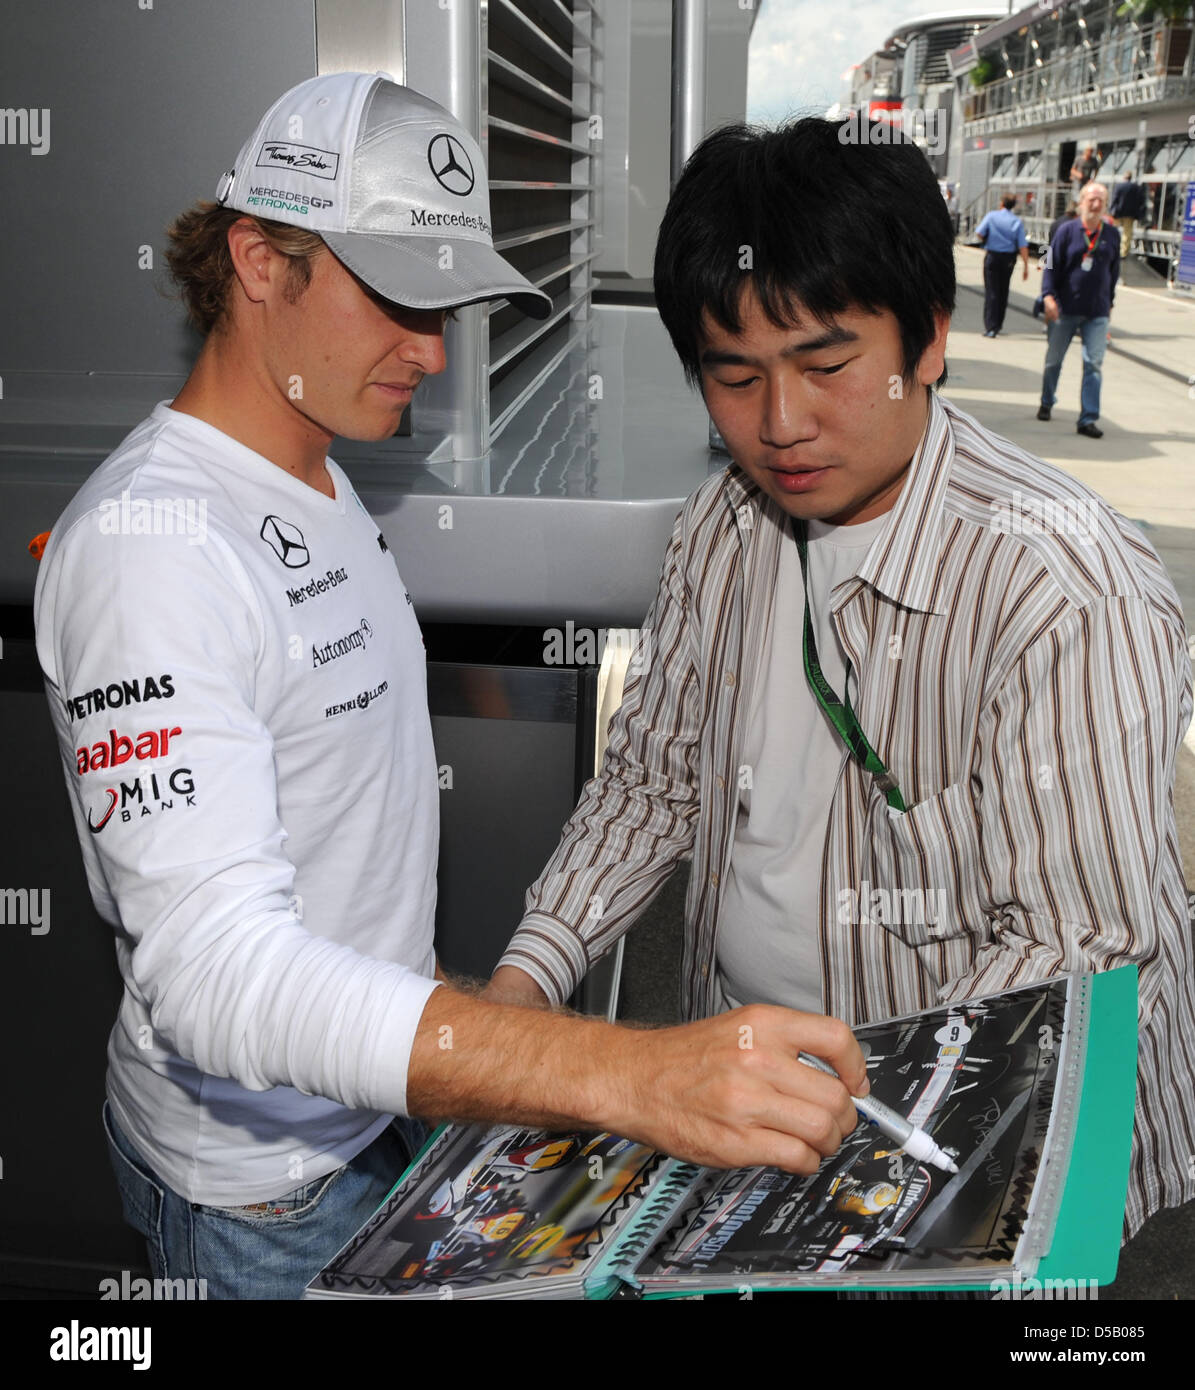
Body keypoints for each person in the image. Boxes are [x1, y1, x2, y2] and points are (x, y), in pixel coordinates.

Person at [32, 74, 868, 1300]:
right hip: (265, 1199)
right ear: (259, 259)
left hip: (373, 1121)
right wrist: (630, 1075)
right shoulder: (151, 547)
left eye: (448, 305)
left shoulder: (316, 470)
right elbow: (212, 976)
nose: (430, 350)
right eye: (395, 298)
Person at [489, 118, 1195, 1246]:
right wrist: (523, 991)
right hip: (765, 1124)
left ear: (927, 339)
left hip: (977, 1150)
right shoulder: (719, 531)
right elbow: (652, 783)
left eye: (825, 365)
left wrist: (844, 1148)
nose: (779, 425)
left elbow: (1079, 952)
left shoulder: (1064, 587)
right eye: (733, 376)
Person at [1037, 180, 1119, 437]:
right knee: (1054, 361)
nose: (1095, 205)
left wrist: (1110, 303)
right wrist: (1048, 296)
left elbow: (1114, 272)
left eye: (1100, 201)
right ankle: (1047, 401)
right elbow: (1049, 264)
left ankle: (1087, 419)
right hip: (1064, 308)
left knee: (1093, 364)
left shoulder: (1112, 234)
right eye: (1091, 199)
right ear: (1081, 202)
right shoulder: (1066, 230)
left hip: (1097, 311)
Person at [974, 193, 1029, 336]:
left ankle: (990, 326)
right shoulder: (1016, 221)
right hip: (1008, 260)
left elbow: (979, 232)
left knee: (991, 291)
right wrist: (1026, 266)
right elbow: (1023, 245)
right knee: (1003, 291)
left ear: (1001, 204)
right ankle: (998, 324)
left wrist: (987, 239)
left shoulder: (992, 216)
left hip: (992, 256)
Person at [1109, 170, 1148, 260]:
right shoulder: (1136, 187)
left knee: (1114, 230)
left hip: (1118, 212)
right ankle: (1123, 252)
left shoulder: (1119, 186)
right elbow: (1140, 201)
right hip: (1130, 214)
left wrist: (1112, 210)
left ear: (1124, 177)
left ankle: (1113, 248)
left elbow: (1115, 199)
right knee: (1127, 232)